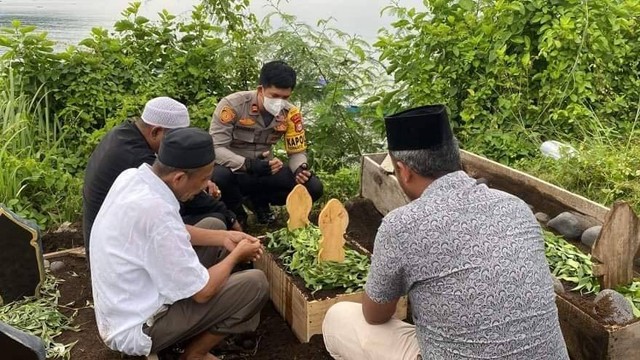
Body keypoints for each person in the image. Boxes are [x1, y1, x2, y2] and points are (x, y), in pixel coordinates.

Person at [322, 105, 569, 359]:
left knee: (339, 318)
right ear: (454, 155)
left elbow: (375, 314)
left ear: (404, 172)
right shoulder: (515, 206)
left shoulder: (402, 225)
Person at [90, 128, 268, 359]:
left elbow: (174, 230)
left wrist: (224, 238)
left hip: (125, 305)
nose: (206, 186)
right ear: (179, 178)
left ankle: (183, 337)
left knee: (214, 226)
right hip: (140, 326)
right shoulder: (157, 213)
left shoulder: (134, 178)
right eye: (204, 179)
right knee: (254, 285)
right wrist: (237, 255)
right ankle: (192, 354)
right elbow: (203, 293)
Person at [83, 97, 240, 262]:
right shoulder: (136, 158)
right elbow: (189, 196)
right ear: (156, 132)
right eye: (173, 140)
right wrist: (229, 217)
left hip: (109, 236)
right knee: (216, 221)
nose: (178, 146)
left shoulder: (123, 134)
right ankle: (196, 272)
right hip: (114, 254)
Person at [209, 60, 323, 225]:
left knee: (312, 186)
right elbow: (216, 148)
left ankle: (260, 203)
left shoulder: (291, 113)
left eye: (285, 97)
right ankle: (236, 213)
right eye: (275, 96)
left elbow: (296, 152)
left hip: (266, 169)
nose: (279, 102)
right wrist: (247, 164)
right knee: (219, 176)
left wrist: (300, 168)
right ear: (261, 89)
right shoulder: (233, 105)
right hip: (234, 169)